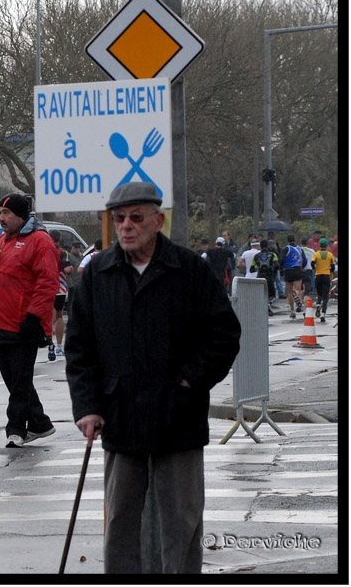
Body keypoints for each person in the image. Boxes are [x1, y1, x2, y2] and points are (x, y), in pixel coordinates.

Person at [64, 182, 241, 574]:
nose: (127, 226)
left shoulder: (189, 268)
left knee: (180, 521)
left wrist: (189, 381)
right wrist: (88, 406)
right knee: (122, 523)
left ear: (158, 221)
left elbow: (224, 334)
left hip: (177, 416)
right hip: (119, 415)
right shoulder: (98, 274)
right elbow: (79, 348)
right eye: (119, 218)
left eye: (136, 218)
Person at [0, 194, 59, 448]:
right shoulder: (3, 240)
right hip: (0, 321)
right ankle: (40, 424)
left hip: (24, 324)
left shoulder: (39, 241)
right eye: (0, 212)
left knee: (20, 379)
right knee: (12, 378)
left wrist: (34, 317)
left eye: (6, 213)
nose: (1, 218)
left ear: (21, 216)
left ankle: (15, 429)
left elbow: (48, 282)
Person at [46, 229, 70, 362]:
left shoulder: (44, 251)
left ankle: (49, 343)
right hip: (59, 287)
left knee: (49, 315)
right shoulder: (62, 252)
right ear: (60, 239)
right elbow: (68, 268)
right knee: (59, 315)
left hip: (45, 286)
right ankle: (59, 346)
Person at [311, 238, 336, 322]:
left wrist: (316, 268)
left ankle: (318, 304)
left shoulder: (316, 254)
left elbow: (312, 264)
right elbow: (332, 267)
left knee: (319, 294)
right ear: (326, 245)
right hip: (326, 276)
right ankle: (323, 314)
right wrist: (329, 270)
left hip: (318, 276)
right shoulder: (330, 255)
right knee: (325, 296)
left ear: (319, 245)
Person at [281, 233, 306, 318]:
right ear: (294, 240)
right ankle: (297, 300)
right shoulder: (300, 249)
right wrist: (302, 267)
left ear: (288, 241)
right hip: (298, 269)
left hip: (288, 270)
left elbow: (282, 259)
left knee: (289, 292)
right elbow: (304, 260)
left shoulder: (286, 249)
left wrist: (282, 268)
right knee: (298, 288)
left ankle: (292, 310)